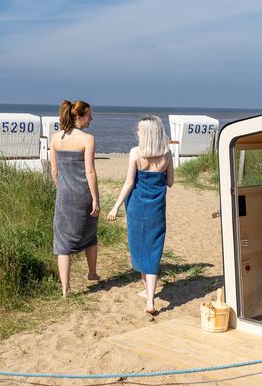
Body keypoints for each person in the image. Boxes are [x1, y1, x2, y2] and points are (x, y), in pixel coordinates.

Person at [107, 116, 174, 314]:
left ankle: (149, 296)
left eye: (139, 130)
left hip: (136, 206)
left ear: (145, 134)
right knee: (153, 248)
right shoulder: (167, 154)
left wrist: (116, 206)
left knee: (139, 245)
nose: (137, 132)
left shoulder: (136, 153)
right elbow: (170, 182)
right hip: (156, 208)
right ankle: (149, 296)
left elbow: (129, 183)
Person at [50, 100, 100, 297]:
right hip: (83, 194)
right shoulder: (87, 139)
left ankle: (65, 289)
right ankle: (92, 272)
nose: (91, 119)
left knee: (63, 242)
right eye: (89, 115)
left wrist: (62, 188)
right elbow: (90, 172)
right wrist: (95, 198)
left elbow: (54, 170)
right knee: (90, 233)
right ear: (79, 116)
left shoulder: (55, 138)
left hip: (64, 195)